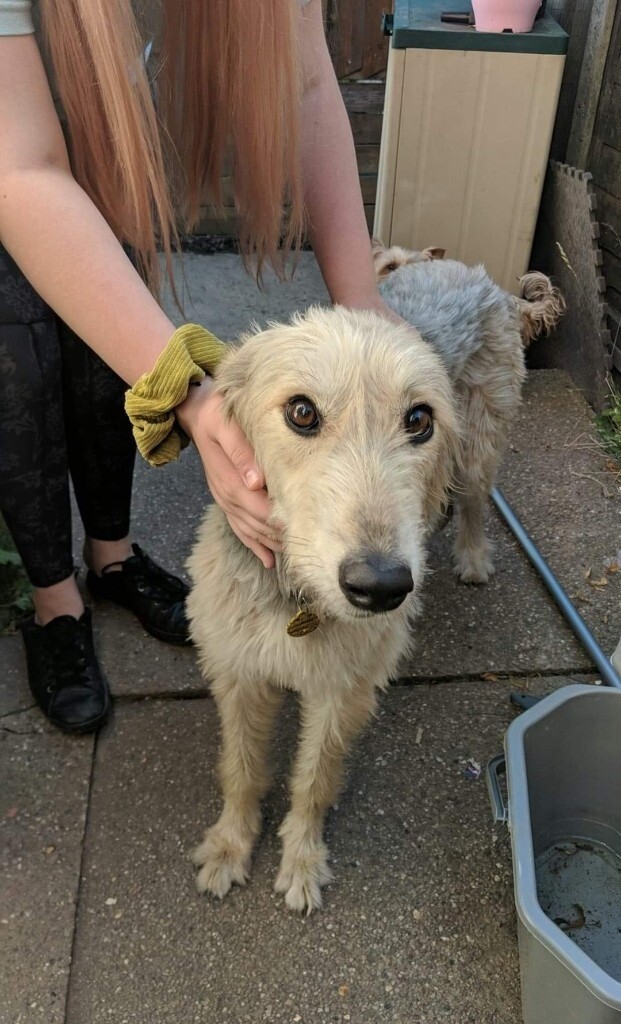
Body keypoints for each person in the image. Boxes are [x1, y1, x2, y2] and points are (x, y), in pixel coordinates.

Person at [0, 0, 397, 734]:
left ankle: (112, 561)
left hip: (89, 131)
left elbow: (307, 83)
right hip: (8, 143)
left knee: (107, 334)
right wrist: (189, 392)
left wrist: (359, 294)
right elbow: (19, 166)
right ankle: (56, 601)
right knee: (16, 354)